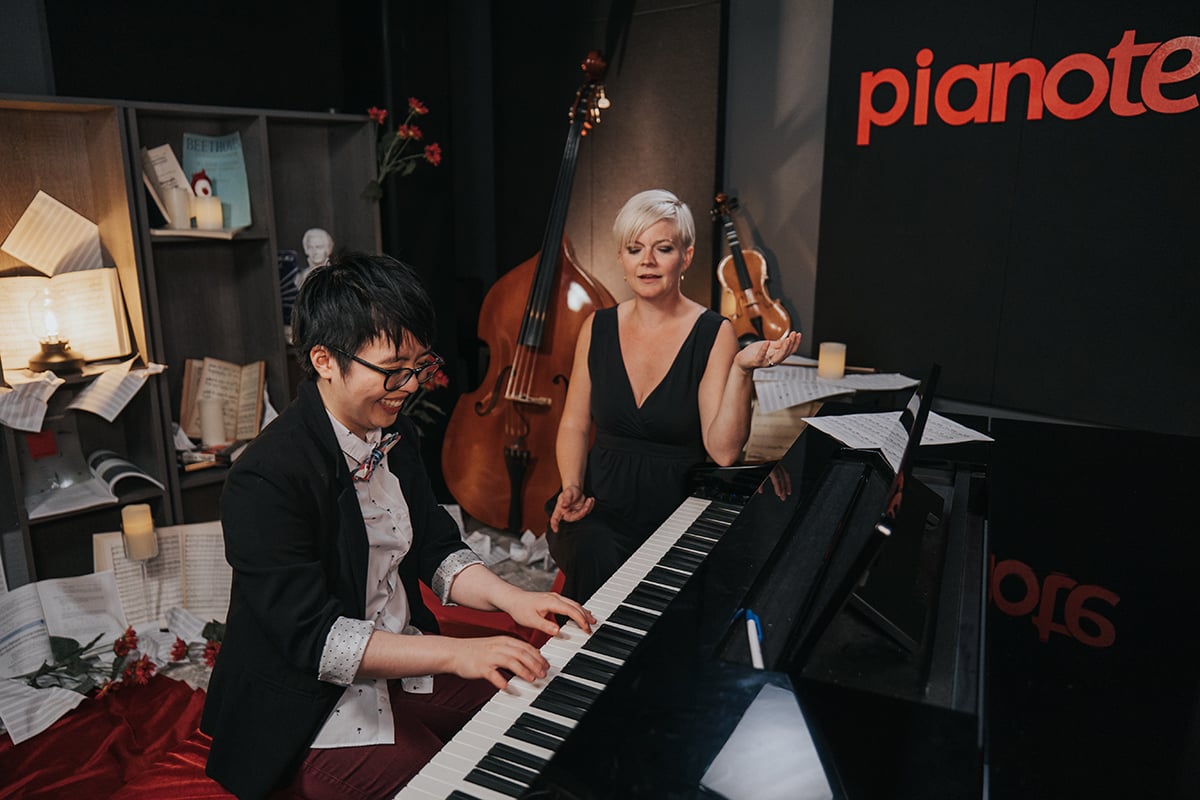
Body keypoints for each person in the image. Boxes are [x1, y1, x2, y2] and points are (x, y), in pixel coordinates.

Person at [201, 252, 594, 800]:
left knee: (537, 706)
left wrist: (512, 599)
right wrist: (459, 653)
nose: (409, 385)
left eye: (419, 366)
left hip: (397, 660)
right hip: (302, 706)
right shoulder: (263, 478)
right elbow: (318, 642)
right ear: (325, 360)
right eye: (393, 369)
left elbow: (434, 547)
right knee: (452, 783)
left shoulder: (392, 430)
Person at [546, 189, 801, 604]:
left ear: (685, 256)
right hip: (600, 498)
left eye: (662, 248)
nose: (646, 261)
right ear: (621, 258)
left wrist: (741, 369)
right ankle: (589, 662)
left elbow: (722, 453)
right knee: (595, 547)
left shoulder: (714, 333)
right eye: (634, 249)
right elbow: (574, 423)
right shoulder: (597, 326)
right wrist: (571, 486)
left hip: (677, 507)